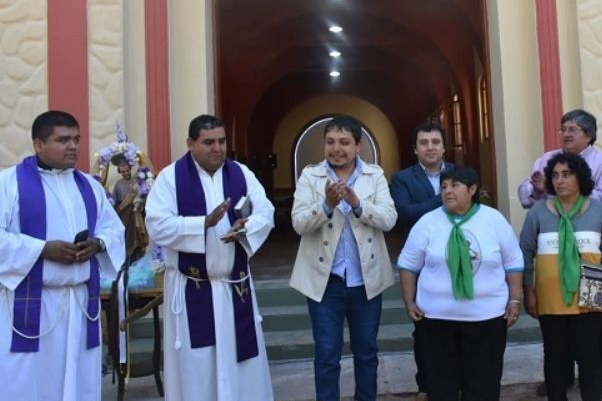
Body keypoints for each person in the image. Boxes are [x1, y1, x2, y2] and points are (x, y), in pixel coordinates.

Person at [145, 114, 276, 400]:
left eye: (221, 141)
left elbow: (265, 212)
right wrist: (202, 224)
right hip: (193, 288)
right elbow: (156, 224)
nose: (217, 148)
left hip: (234, 286)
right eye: (208, 143)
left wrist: (246, 227)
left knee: (242, 364)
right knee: (198, 365)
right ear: (190, 143)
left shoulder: (241, 173)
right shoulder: (170, 179)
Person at [0, 110, 125, 400]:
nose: (73, 146)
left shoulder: (89, 186)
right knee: (31, 383)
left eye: (76, 139)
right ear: (38, 144)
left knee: (78, 382)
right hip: (33, 306)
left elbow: (113, 230)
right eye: (63, 140)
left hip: (79, 304)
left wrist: (98, 244)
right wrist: (43, 249)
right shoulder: (9, 184)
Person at [290, 115, 397, 401]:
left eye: (344, 142)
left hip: (366, 280)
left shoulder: (374, 175)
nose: (337, 148)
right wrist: (326, 204)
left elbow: (389, 219)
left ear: (358, 145)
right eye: (330, 142)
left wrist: (357, 204)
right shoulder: (310, 176)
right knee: (326, 355)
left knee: (366, 352)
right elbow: (298, 224)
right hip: (325, 282)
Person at [518, 109, 602, 395]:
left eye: (573, 129)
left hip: (591, 279)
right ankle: (559, 382)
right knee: (555, 351)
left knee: (591, 350)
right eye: (563, 128)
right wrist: (540, 189)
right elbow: (525, 194)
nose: (566, 133)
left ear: (588, 135)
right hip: (551, 288)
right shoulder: (543, 191)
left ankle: (599, 379)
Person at [398, 164, 523, 400]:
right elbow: (408, 264)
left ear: (473, 189)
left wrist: (515, 299)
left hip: (486, 321)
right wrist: (408, 299)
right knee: (440, 386)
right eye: (444, 186)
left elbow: (514, 263)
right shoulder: (428, 222)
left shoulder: (493, 220)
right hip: (436, 321)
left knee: (483, 386)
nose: (447, 191)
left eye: (455, 185)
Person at [390, 121, 451, 399]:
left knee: (456, 326)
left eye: (435, 142)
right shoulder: (402, 179)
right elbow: (403, 213)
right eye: (424, 143)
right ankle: (426, 385)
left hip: (456, 260)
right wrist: (443, 199)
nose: (430, 147)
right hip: (421, 264)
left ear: (443, 146)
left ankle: (456, 381)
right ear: (415, 149)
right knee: (425, 330)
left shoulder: (460, 174)